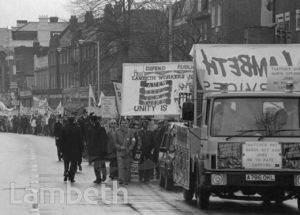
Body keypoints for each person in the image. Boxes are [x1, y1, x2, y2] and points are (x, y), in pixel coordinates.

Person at [61, 113, 84, 183]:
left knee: (66, 162)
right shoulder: (78, 128)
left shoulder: (64, 128)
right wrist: (81, 149)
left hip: (66, 149)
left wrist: (61, 150)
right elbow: (80, 139)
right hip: (75, 149)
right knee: (73, 164)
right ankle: (71, 177)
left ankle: (66, 172)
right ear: (74, 120)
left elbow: (62, 140)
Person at [113, 118, 136, 185]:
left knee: (127, 166)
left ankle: (126, 179)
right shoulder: (117, 132)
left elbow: (133, 141)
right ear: (120, 124)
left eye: (125, 123)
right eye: (122, 123)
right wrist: (120, 147)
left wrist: (130, 148)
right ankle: (121, 179)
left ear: (127, 124)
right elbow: (115, 142)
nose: (124, 124)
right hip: (120, 152)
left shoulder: (130, 131)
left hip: (128, 152)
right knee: (120, 166)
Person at [87, 116, 108, 184]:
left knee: (97, 165)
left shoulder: (94, 129)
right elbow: (104, 140)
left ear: (92, 121)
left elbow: (92, 141)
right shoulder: (100, 128)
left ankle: (99, 178)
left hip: (96, 151)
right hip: (100, 150)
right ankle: (103, 176)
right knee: (101, 164)